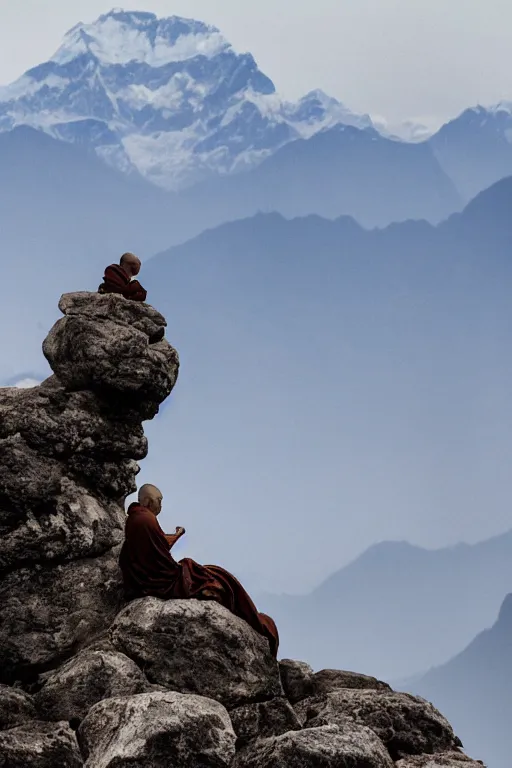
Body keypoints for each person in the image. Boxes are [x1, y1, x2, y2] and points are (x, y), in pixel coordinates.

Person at [119, 484, 279, 657]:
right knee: (217, 577)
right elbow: (160, 557)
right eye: (159, 500)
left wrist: (177, 535)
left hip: (141, 580)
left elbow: (154, 548)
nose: (161, 505)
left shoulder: (135, 517)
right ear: (149, 501)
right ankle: (258, 623)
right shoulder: (146, 520)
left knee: (208, 571)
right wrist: (180, 563)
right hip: (160, 582)